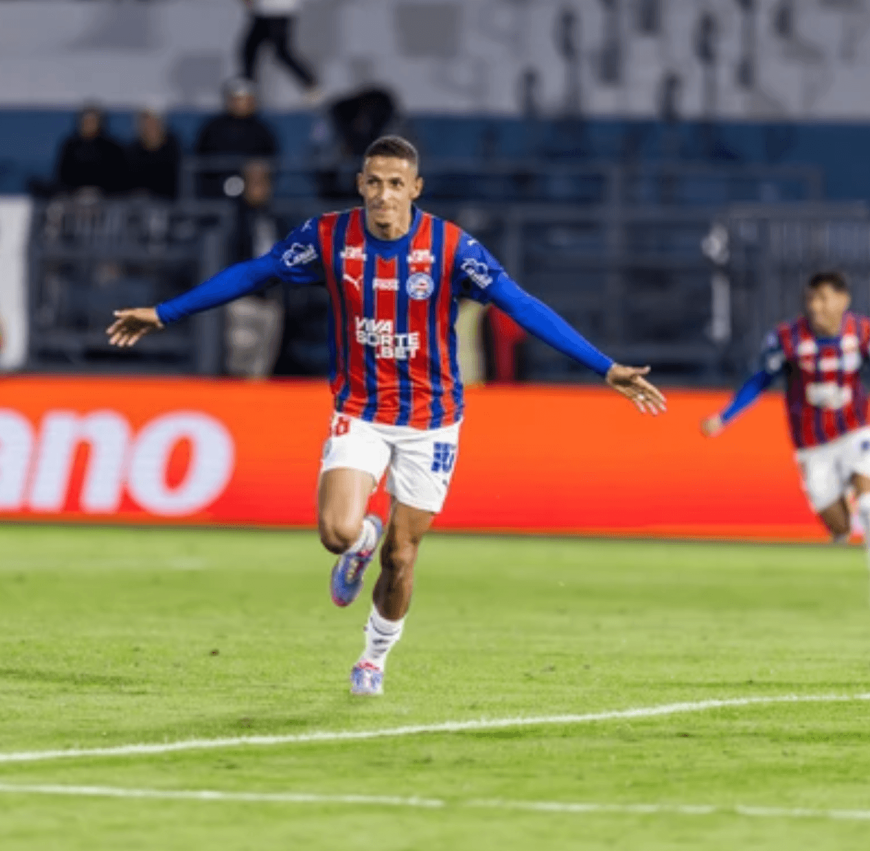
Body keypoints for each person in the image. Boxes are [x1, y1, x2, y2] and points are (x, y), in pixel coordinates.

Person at [107, 136, 666, 696]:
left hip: (433, 420)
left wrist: (603, 366)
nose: (383, 194)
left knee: (402, 556)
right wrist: (165, 312)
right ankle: (359, 542)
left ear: (415, 189)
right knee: (335, 531)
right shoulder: (328, 237)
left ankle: (373, 658)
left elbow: (521, 304)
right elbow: (257, 273)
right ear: (360, 185)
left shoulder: (452, 250)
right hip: (362, 409)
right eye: (374, 182)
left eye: (396, 183)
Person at [701, 271, 870, 610]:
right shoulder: (787, 338)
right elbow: (759, 381)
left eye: (823, 298)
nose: (816, 307)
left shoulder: (864, 333)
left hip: (855, 429)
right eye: (811, 299)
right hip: (811, 444)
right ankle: (845, 526)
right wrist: (724, 417)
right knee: (838, 528)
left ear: (843, 300)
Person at [225, 159, 283, 377]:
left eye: (264, 182)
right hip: (244, 301)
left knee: (262, 367)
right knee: (240, 363)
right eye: (255, 182)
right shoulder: (235, 218)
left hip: (270, 301)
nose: (260, 188)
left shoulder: (272, 219)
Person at [193, 78, 279, 198]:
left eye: (246, 98)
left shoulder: (262, 130)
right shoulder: (213, 128)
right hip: (216, 182)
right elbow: (201, 158)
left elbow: (271, 159)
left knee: (256, 177)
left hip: (251, 185)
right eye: (237, 98)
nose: (242, 102)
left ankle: (258, 216)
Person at [239, 0, 320, 101]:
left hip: (277, 9)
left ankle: (311, 85)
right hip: (267, 9)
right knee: (250, 50)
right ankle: (246, 89)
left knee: (280, 51)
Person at [56, 104, 127, 196]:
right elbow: (62, 176)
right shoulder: (70, 146)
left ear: (100, 122)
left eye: (93, 121)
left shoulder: (112, 148)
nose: (89, 124)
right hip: (73, 196)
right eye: (86, 121)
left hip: (106, 197)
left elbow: (118, 179)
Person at [125, 105, 182, 200]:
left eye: (152, 121)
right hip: (136, 199)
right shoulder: (132, 150)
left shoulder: (171, 147)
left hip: (164, 200)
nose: (148, 126)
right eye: (145, 122)